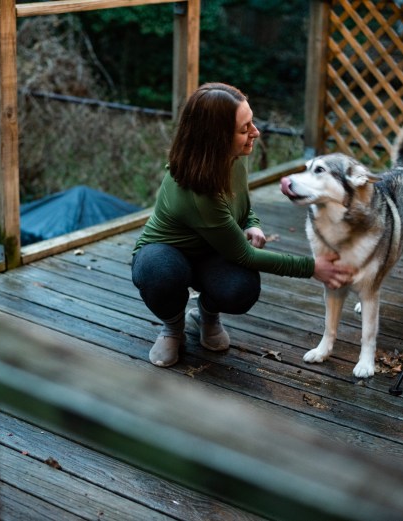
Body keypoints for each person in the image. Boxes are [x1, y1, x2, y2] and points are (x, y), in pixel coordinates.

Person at [131, 82, 353, 367]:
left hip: (213, 252)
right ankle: (173, 328)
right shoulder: (195, 193)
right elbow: (245, 255)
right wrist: (312, 268)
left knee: (241, 289)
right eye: (244, 128)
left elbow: (241, 205)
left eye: (252, 123)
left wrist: (252, 223)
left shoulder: (233, 157)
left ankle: (205, 315)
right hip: (167, 253)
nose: (255, 133)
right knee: (158, 272)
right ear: (216, 139)